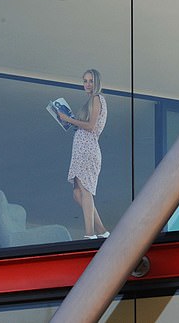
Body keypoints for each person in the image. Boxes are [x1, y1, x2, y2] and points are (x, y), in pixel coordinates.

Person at [57, 69, 109, 239]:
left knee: (85, 191)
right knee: (77, 193)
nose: (87, 84)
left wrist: (68, 119)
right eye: (85, 81)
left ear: (97, 83)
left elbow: (91, 126)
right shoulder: (91, 101)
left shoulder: (97, 98)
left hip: (88, 149)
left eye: (90, 81)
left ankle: (89, 233)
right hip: (82, 150)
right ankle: (101, 230)